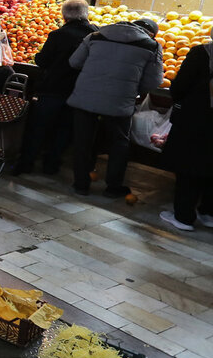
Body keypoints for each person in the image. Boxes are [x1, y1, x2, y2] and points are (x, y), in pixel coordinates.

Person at [67, 17, 163, 197]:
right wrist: (133, 89)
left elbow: (74, 62)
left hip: (85, 97)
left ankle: (80, 184)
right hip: (120, 103)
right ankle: (113, 187)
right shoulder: (152, 46)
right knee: (119, 143)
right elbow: (154, 81)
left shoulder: (95, 36)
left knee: (83, 141)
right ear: (151, 34)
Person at [13, 0, 95, 176]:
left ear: (64, 16)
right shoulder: (96, 35)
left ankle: (25, 164)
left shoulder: (58, 34)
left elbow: (43, 61)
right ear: (86, 14)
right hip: (78, 90)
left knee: (38, 128)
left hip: (53, 89)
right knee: (64, 130)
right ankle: (51, 165)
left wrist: (37, 56)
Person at [160, 27, 213, 231]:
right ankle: (208, 213)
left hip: (198, 119)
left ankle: (183, 217)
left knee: (189, 166)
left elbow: (179, 86)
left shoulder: (202, 53)